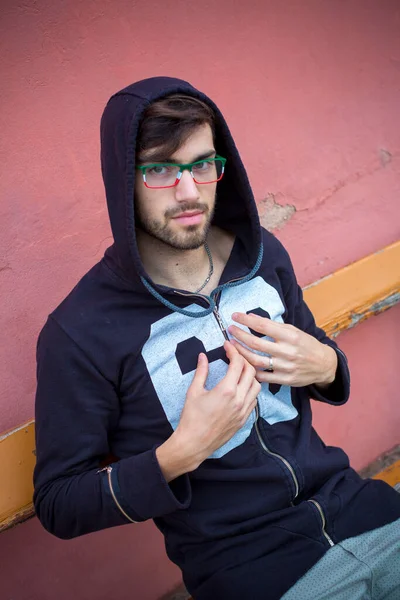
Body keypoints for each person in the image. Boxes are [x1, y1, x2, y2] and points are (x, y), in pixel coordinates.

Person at [34, 77, 400, 600]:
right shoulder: (80, 331)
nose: (189, 191)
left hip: (365, 512)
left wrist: (327, 364)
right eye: (160, 169)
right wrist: (179, 455)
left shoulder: (261, 255)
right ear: (124, 179)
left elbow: (322, 363)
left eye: (202, 164)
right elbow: (58, 501)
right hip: (258, 572)